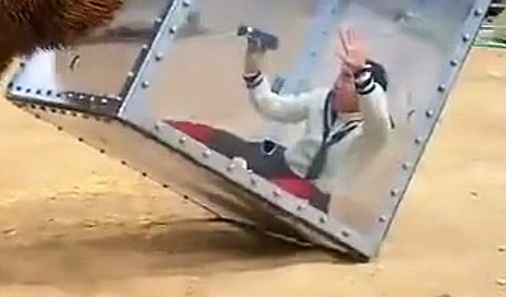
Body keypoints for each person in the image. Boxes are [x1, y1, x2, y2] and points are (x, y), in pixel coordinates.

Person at [168, 28, 393, 213]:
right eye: (340, 74)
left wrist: (362, 74)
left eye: (347, 78)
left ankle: (244, 183)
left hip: (315, 192)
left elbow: (378, 118)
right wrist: (253, 64)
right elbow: (272, 106)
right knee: (216, 141)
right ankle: (159, 129)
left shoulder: (372, 134)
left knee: (269, 195)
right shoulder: (321, 99)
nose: (336, 84)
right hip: (283, 163)